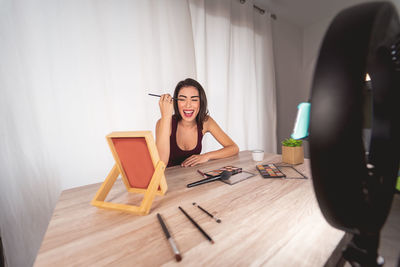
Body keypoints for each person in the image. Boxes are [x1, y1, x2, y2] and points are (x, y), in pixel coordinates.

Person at [156, 78, 239, 167]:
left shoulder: (206, 121)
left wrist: (206, 156)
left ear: (201, 102)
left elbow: (233, 148)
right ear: (176, 102)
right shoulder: (163, 122)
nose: (188, 105)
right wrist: (166, 116)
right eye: (182, 99)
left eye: (194, 100)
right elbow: (160, 163)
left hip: (193, 177)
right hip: (167, 179)